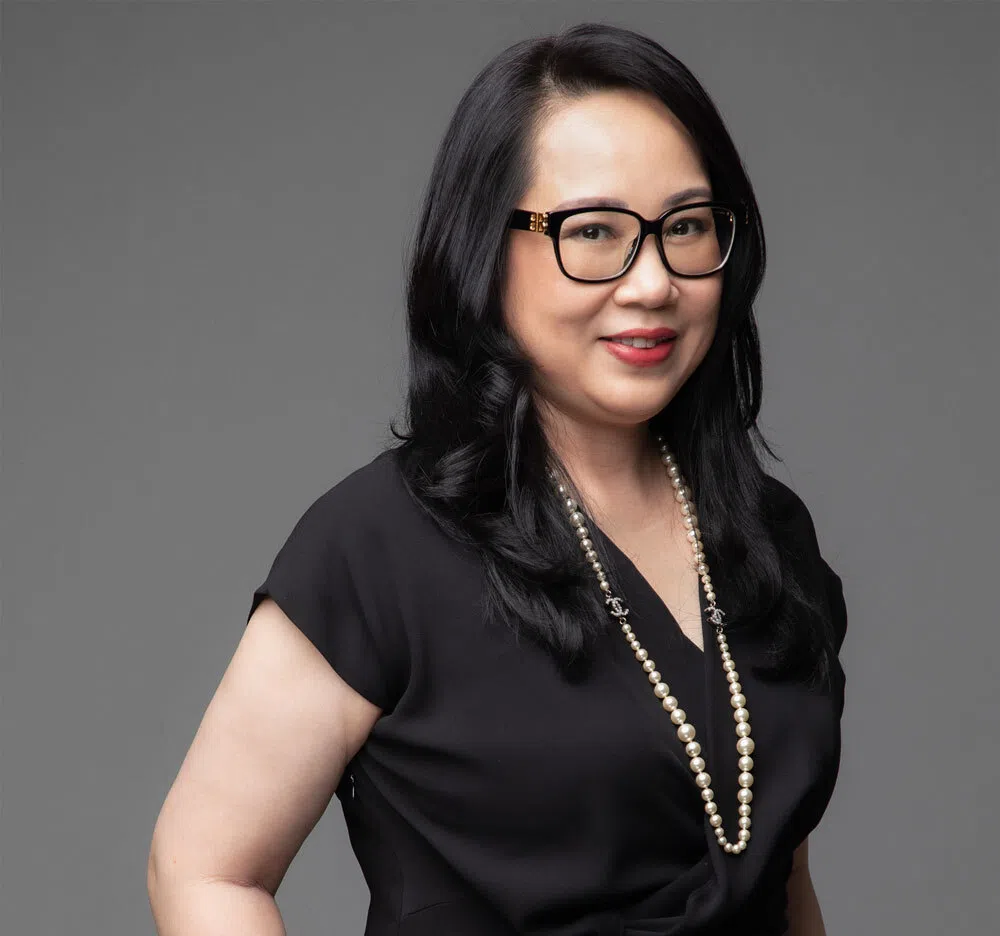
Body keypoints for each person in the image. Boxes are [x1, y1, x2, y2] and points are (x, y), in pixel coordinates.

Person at [147, 21, 848, 936]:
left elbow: (780, 881)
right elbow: (203, 870)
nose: (652, 283)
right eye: (593, 232)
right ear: (483, 249)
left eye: (685, 227)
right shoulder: (377, 547)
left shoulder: (769, 537)